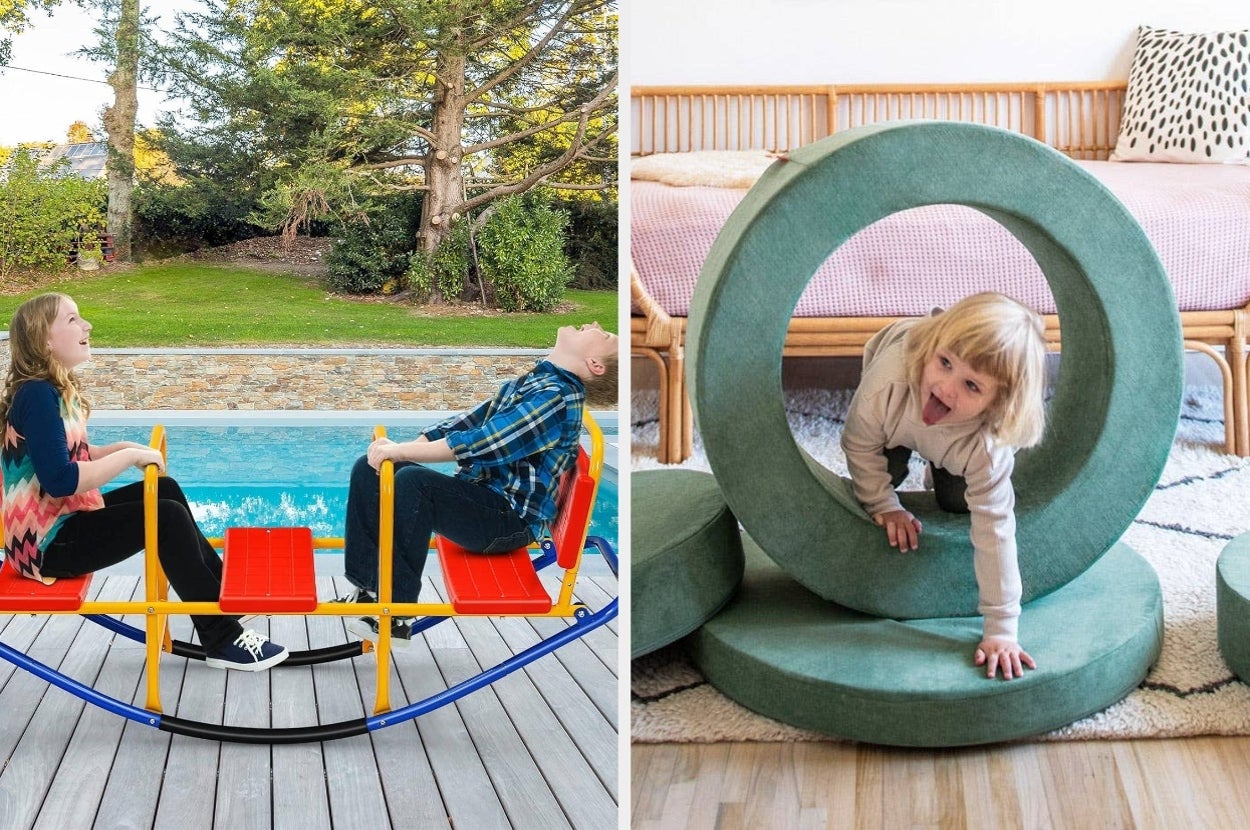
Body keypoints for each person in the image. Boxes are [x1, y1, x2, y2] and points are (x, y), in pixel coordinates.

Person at [0, 293, 288, 671]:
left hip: (60, 527)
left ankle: (221, 598)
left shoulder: (52, 390)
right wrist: (130, 457)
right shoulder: (37, 395)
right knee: (163, 518)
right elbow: (60, 480)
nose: (86, 326)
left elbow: (69, 456)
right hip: (47, 546)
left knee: (164, 491)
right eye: (72, 320)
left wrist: (119, 448)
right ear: (45, 340)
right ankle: (221, 637)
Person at [333, 322, 619, 648]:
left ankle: (396, 613)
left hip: (507, 521)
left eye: (605, 335)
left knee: (415, 483)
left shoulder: (555, 399)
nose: (596, 324)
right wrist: (399, 451)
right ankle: (369, 591)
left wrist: (400, 452)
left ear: (595, 365)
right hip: (486, 501)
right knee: (369, 468)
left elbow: (483, 442)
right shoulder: (540, 381)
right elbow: (468, 423)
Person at [840, 292, 1047, 681]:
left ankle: (940, 466)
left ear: (998, 404)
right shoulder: (887, 382)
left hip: (958, 439)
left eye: (972, 385)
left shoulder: (988, 446)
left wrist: (1001, 629)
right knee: (885, 475)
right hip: (894, 418)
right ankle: (909, 463)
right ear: (934, 345)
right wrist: (883, 503)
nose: (946, 387)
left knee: (957, 502)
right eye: (946, 362)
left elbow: (995, 529)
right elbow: (858, 443)